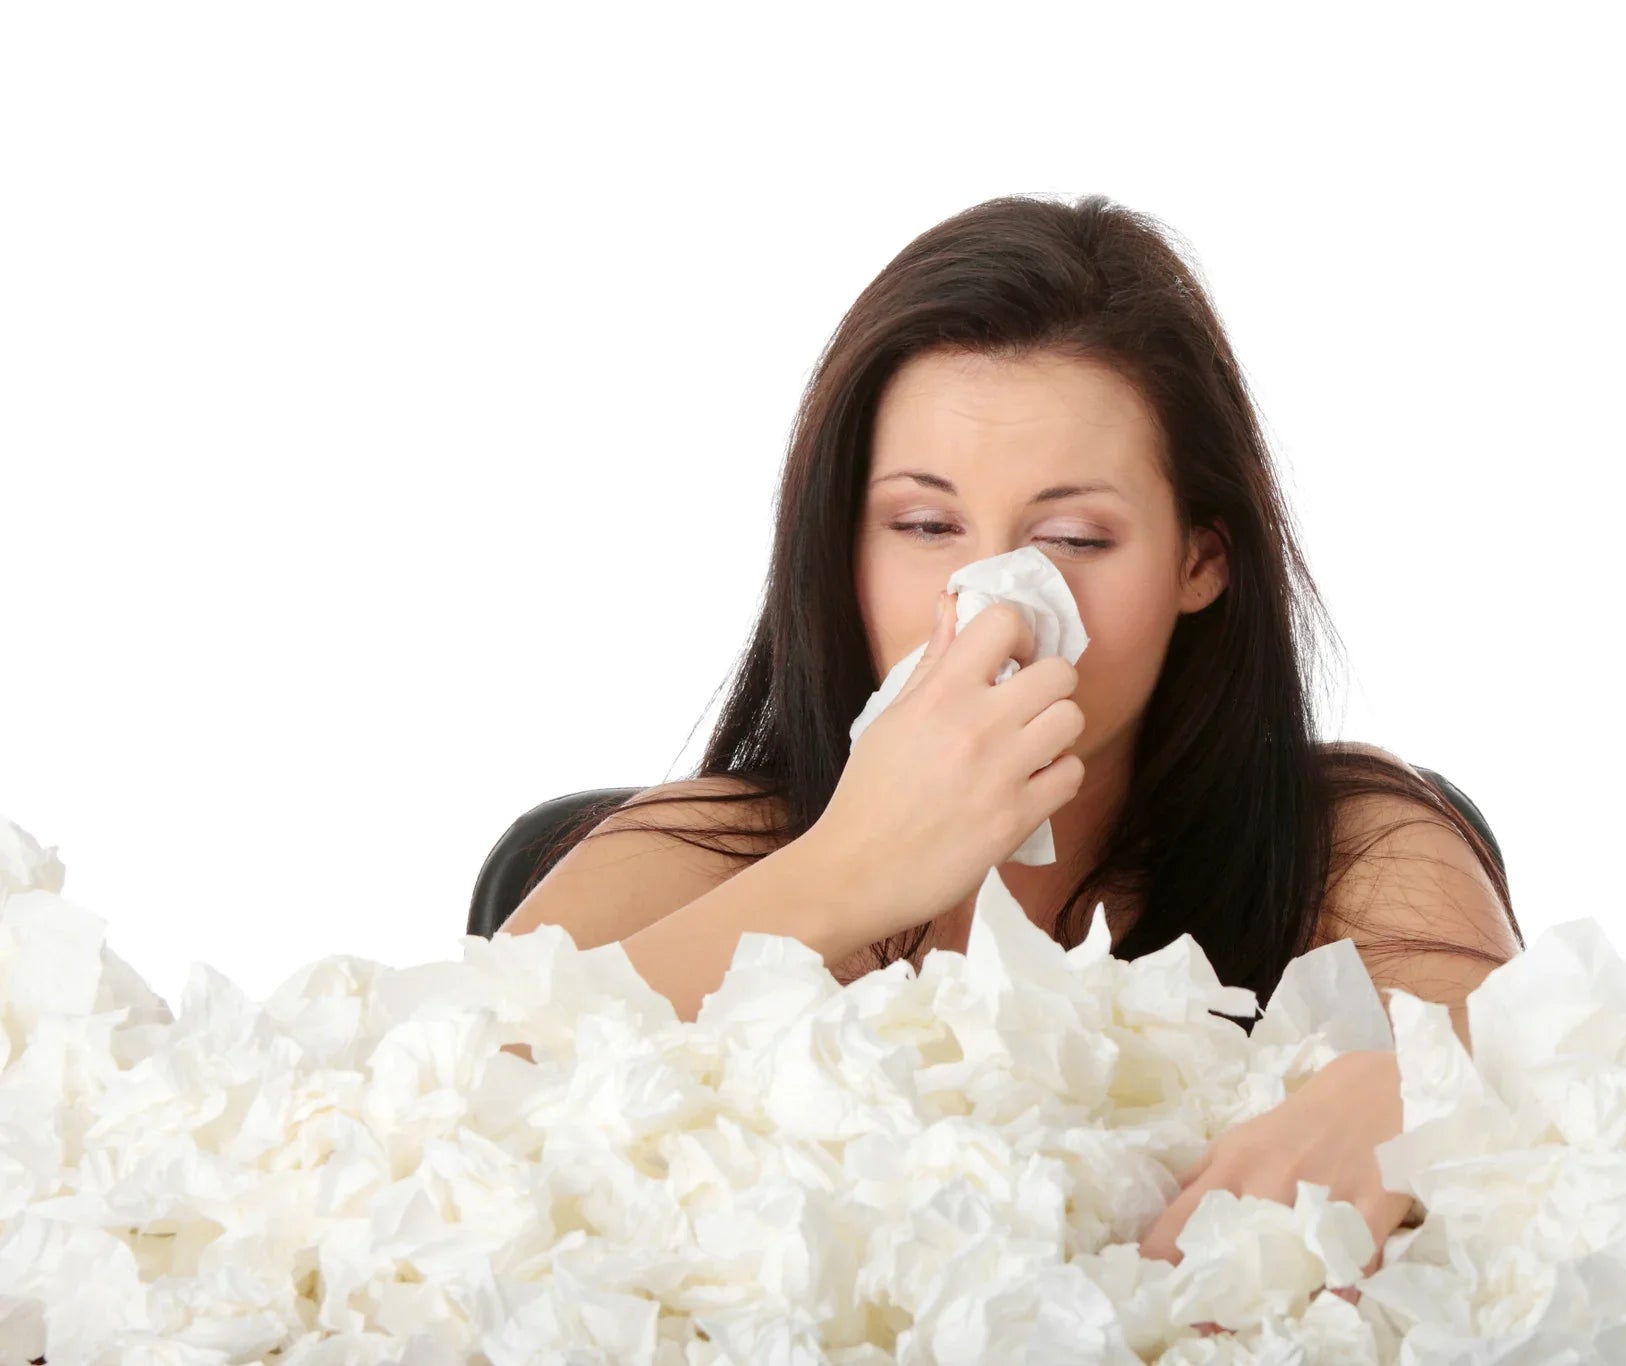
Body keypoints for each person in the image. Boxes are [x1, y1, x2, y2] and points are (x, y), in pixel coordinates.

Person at [501, 191, 1521, 1047]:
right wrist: (844, 871)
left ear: (1198, 559)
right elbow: (420, 1097)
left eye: (1073, 538)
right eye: (925, 523)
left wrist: (1386, 1103)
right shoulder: (687, 856)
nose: (992, 599)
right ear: (840, 550)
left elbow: (1529, 1100)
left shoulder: (1349, 851)